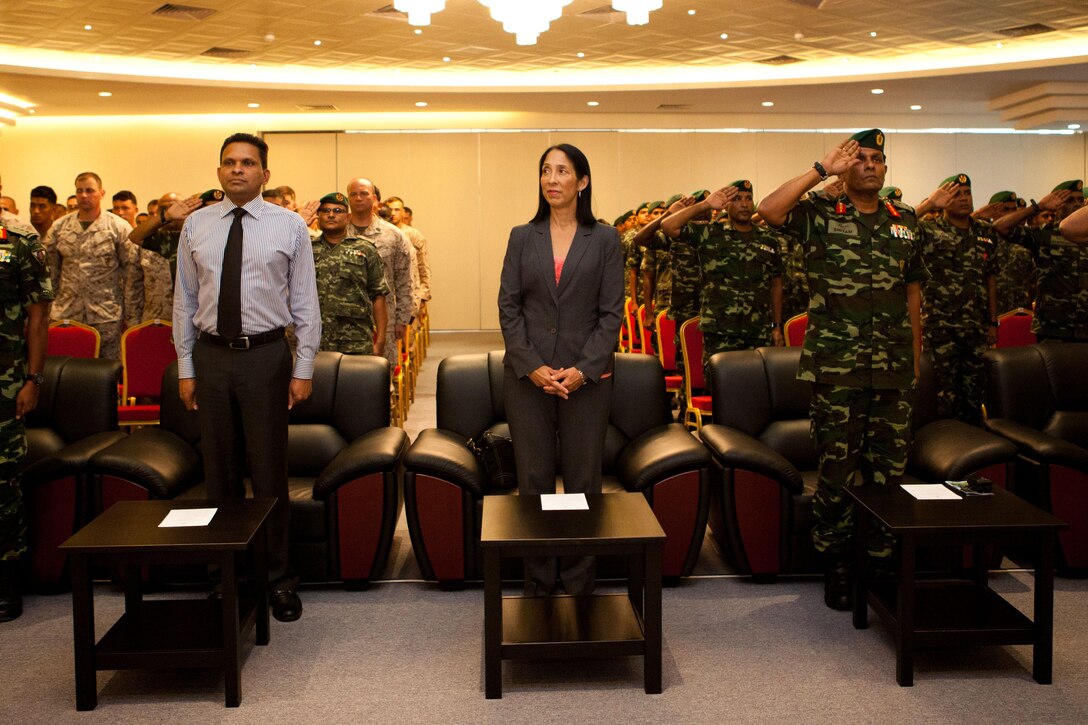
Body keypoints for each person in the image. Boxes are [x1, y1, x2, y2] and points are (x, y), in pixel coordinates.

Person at [758, 129, 927, 611]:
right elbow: (769, 210)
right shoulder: (820, 214)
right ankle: (835, 563)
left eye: (877, 159)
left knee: (888, 472)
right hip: (837, 368)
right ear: (847, 167)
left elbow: (913, 290)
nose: (869, 165)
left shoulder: (905, 220)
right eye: (860, 159)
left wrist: (915, 357)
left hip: (893, 367)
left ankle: (882, 563)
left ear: (885, 169)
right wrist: (819, 170)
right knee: (838, 472)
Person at [173, 132, 320, 623]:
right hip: (211, 357)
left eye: (248, 163)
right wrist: (186, 366)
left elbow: (306, 303)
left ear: (264, 174)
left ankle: (278, 579)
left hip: (265, 357)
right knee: (219, 472)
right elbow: (184, 301)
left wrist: (303, 367)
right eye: (230, 162)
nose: (238, 169)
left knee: (269, 471)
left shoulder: (289, 226)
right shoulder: (195, 225)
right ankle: (226, 577)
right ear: (219, 171)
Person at [498, 143, 624, 597]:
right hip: (528, 379)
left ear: (582, 181)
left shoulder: (605, 239)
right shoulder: (522, 236)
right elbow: (508, 306)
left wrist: (583, 369)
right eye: (546, 171)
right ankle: (539, 582)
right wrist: (532, 365)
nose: (552, 179)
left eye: (563, 171)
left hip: (585, 382)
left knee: (583, 482)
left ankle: (578, 582)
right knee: (532, 481)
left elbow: (611, 314)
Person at [662, 179, 785, 385]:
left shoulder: (768, 239)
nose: (744, 204)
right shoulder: (711, 233)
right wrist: (705, 205)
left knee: (757, 387)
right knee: (721, 388)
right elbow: (668, 226)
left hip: (758, 330)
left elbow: (776, 284)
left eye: (748, 199)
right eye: (737, 199)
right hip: (720, 330)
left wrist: (777, 326)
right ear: (726, 205)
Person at [0, 216, 53, 622]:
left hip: (4, 381)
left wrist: (33, 379)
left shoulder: (18, 240)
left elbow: (39, 315)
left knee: (3, 483)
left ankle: (6, 580)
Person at [913, 174, 999, 424]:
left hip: (976, 328)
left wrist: (993, 321)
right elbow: (900, 226)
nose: (963, 198)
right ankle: (944, 442)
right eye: (955, 194)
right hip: (941, 328)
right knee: (942, 395)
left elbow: (991, 277)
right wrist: (930, 203)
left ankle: (975, 442)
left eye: (967, 193)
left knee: (974, 394)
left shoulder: (985, 231)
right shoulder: (930, 230)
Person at [43, 172, 142, 359]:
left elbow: (131, 275)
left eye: (90, 190)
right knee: (65, 369)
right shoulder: (59, 227)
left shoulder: (118, 227)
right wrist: (47, 312)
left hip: (106, 315)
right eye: (79, 191)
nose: (84, 195)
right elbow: (51, 273)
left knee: (106, 370)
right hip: (67, 313)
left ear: (101, 193)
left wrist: (131, 317)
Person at [992, 180, 1087, 341]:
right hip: (1054, 326)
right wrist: (1038, 207)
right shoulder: (1044, 235)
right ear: (1057, 206)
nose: (1077, 204)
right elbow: (1001, 227)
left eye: (1080, 200)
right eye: (1070, 200)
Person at [345, 178, 415, 369]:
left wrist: (402, 320)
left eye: (364, 193)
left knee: (382, 373)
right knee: (345, 374)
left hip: (384, 321)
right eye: (353, 194)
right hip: (345, 323)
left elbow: (404, 280)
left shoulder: (393, 235)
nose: (358, 198)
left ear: (374, 199)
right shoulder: (338, 232)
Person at [312, 192, 389, 355]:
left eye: (337, 211)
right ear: (318, 217)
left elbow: (378, 295)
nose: (331, 215)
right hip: (315, 340)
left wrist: (381, 340)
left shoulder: (365, 249)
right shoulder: (307, 249)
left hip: (355, 340)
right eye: (325, 211)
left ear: (348, 217)